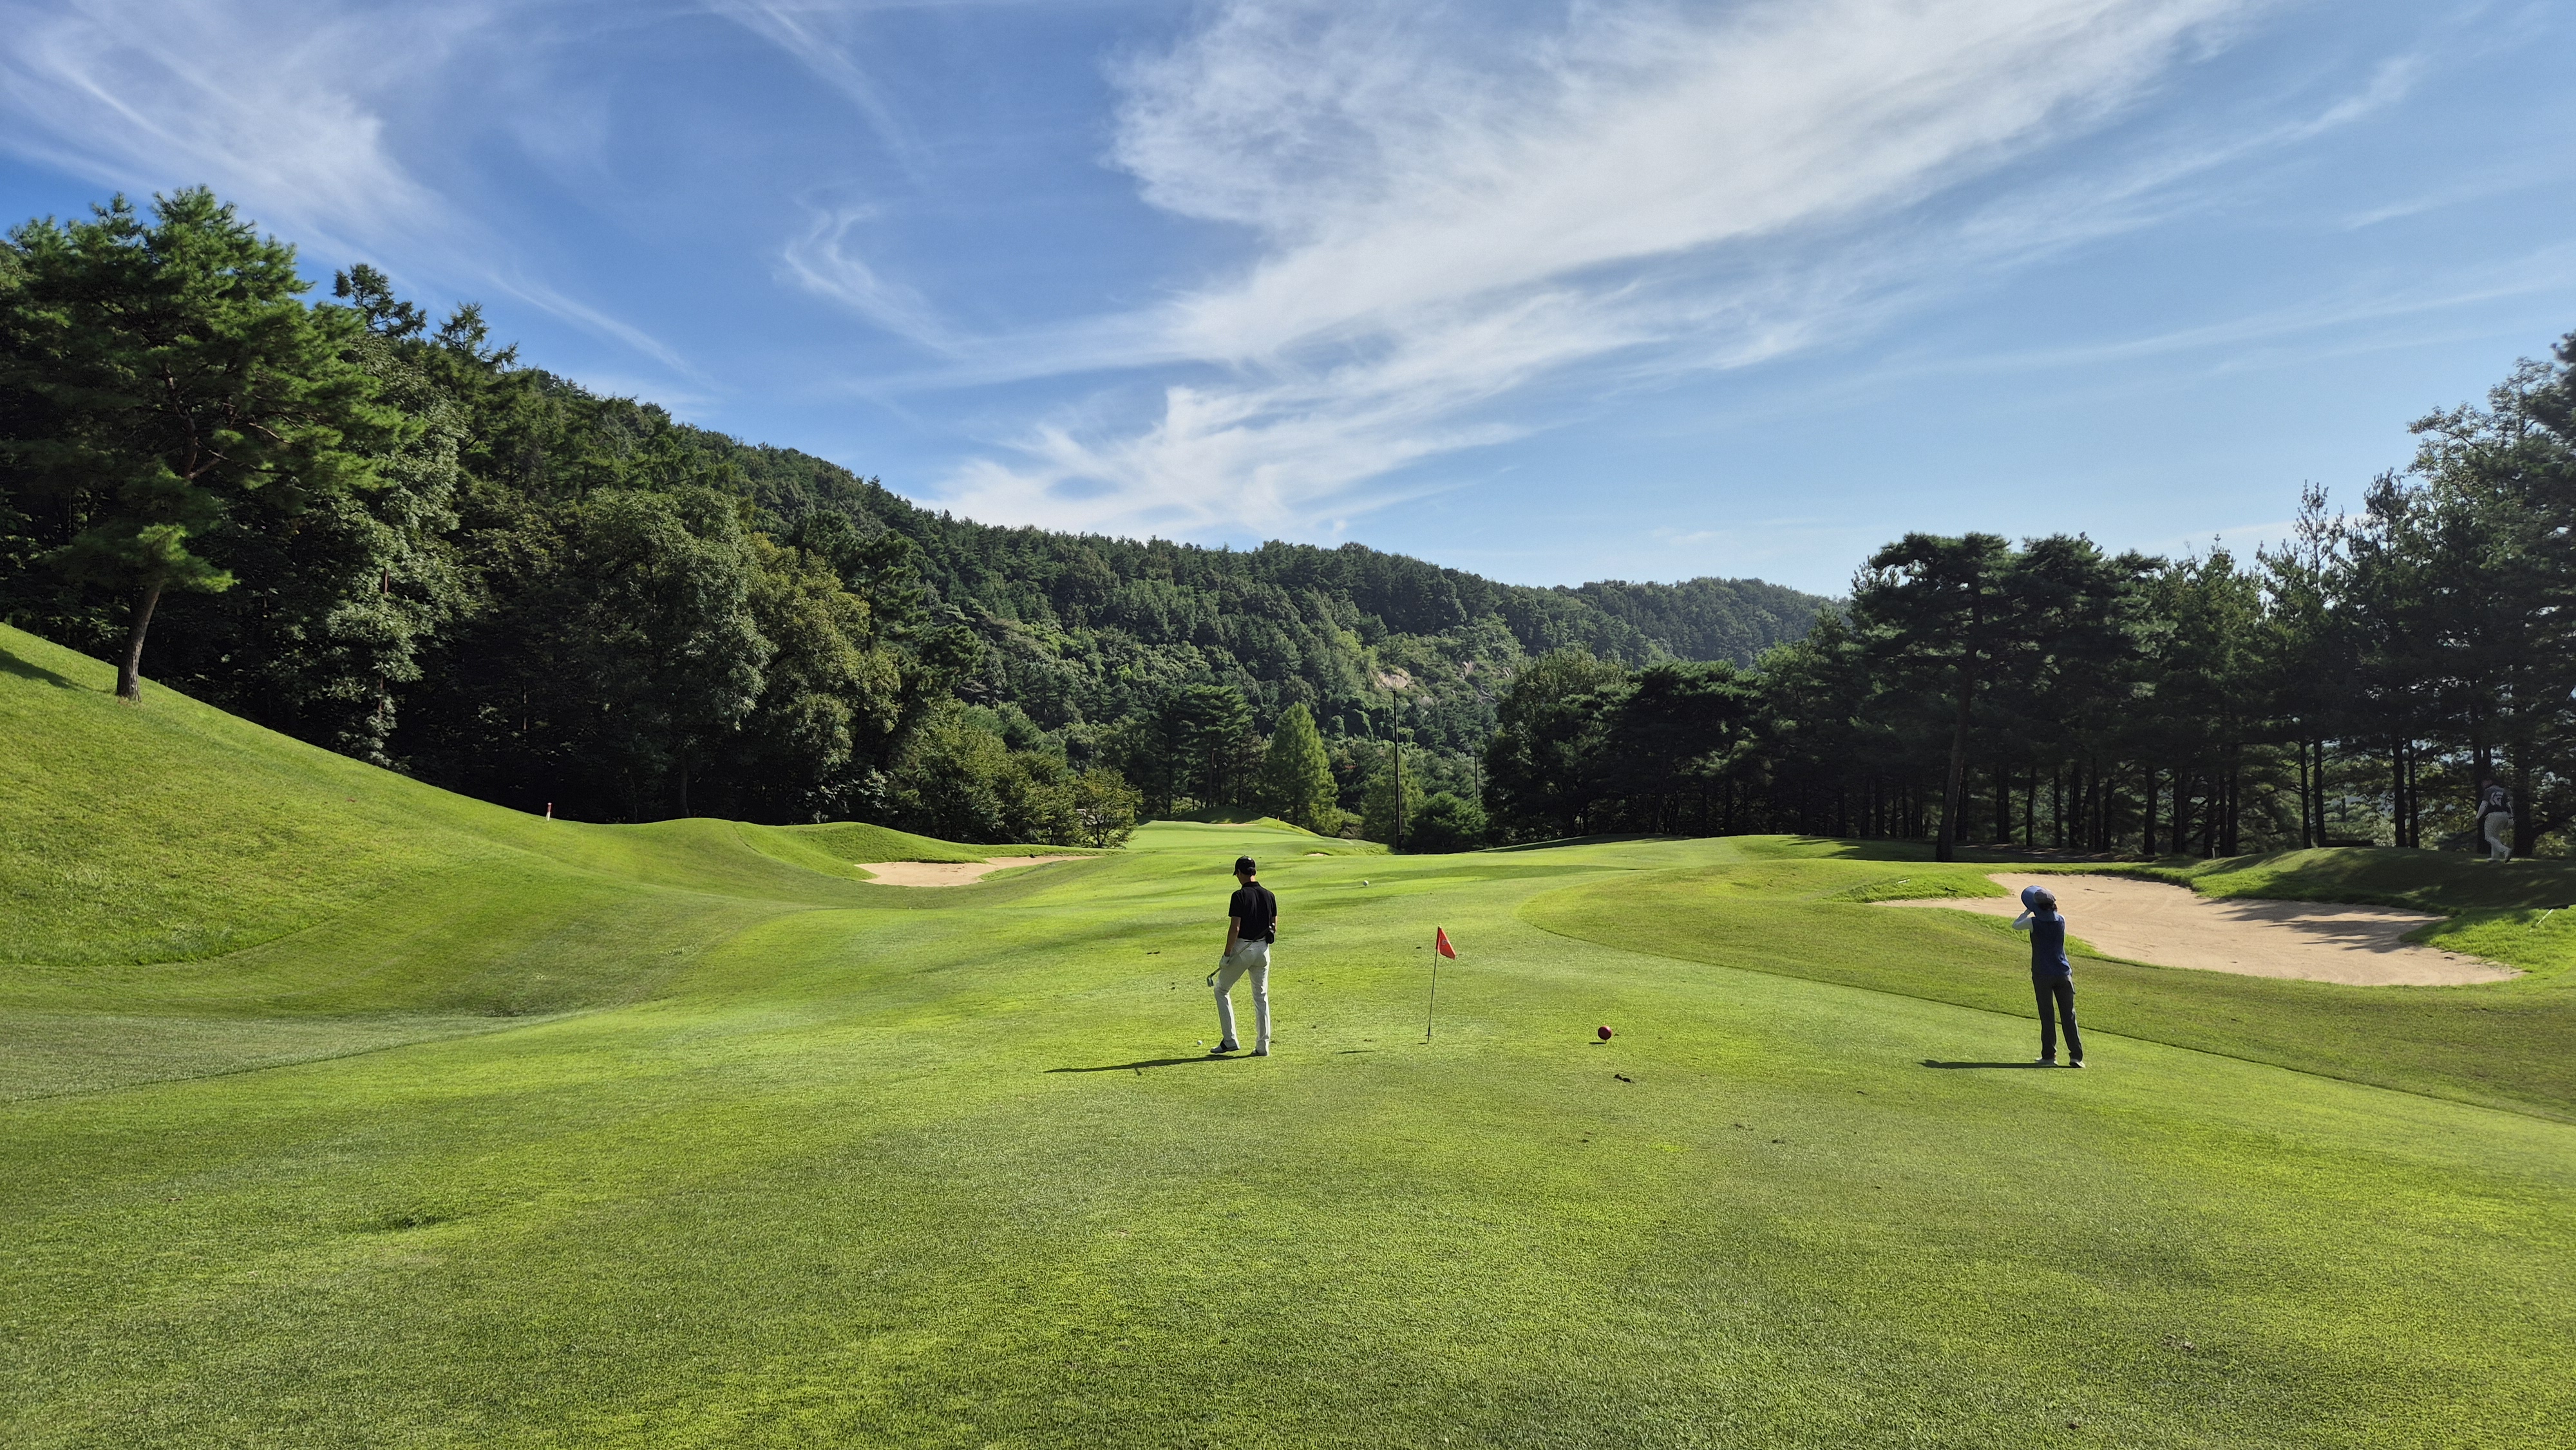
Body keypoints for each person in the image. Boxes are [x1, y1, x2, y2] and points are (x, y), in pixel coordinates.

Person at [1208, 856, 1277, 1057]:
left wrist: (1226, 955)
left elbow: (1235, 929)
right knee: (1261, 997)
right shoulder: (1270, 895)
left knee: (1221, 990)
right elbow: (1274, 927)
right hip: (1263, 950)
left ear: (1239, 872)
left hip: (1242, 948)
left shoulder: (1238, 896)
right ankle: (1263, 1046)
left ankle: (1230, 1040)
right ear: (1254, 871)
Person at [2011, 884, 2084, 1068]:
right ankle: (2076, 1057)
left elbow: (2015, 925)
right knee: (2069, 1016)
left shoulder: (2033, 922)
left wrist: (2028, 911)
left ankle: (2049, 1057)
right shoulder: (2062, 920)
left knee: (2047, 1015)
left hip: (2043, 974)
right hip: (2063, 973)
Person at [2477, 778, 2514, 863]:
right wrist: (2511, 817)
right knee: (2495, 836)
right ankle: (2495, 857)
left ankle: (2505, 850)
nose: (2483, 784)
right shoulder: (2503, 791)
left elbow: (2484, 804)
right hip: (2505, 815)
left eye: (2484, 781)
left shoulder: (2488, 790)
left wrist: (2478, 815)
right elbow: (2509, 805)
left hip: (2493, 814)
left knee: (2489, 836)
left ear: (2490, 781)